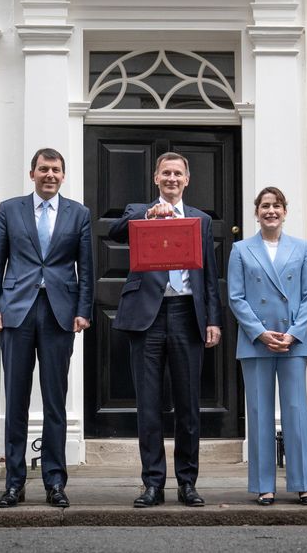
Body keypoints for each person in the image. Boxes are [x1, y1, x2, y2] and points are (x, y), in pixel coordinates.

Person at [109, 151, 222, 508]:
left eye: (178, 173)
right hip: (148, 316)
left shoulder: (201, 220)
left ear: (187, 180)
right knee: (149, 405)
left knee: (188, 405)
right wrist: (147, 215)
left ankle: (187, 483)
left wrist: (213, 319)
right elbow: (113, 232)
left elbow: (209, 275)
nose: (172, 179)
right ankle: (153, 483)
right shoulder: (137, 210)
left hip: (187, 313)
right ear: (156, 178)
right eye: (166, 173)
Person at [0, 148, 94, 509]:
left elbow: (86, 268)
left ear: (63, 175)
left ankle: (55, 481)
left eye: (56, 170)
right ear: (32, 173)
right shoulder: (10, 209)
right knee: (15, 399)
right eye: (44, 169)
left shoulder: (79, 213)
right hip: (16, 312)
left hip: (59, 313)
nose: (50, 175)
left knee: (54, 402)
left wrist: (84, 310)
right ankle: (14, 483)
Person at [228, 187, 307, 506]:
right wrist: (260, 332)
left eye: (277, 205)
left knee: (296, 410)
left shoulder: (302, 248)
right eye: (265, 206)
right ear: (256, 212)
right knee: (259, 413)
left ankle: (304, 483)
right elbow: (236, 297)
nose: (271, 211)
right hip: (256, 342)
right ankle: (264, 485)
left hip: (293, 341)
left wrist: (293, 333)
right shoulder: (240, 249)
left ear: (284, 211)